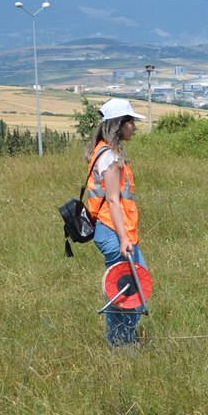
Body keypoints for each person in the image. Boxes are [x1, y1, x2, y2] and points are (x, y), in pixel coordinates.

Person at [85, 98, 145, 346]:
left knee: (132, 288)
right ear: (118, 124)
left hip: (116, 231)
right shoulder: (109, 157)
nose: (134, 126)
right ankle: (121, 345)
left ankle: (123, 341)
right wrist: (123, 239)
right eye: (130, 121)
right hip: (113, 232)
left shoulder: (105, 151)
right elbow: (112, 200)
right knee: (127, 292)